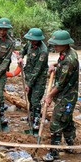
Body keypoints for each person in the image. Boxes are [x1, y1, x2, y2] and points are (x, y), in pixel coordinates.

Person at [42, 30, 79, 162]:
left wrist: (49, 96)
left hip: (66, 96)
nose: (55, 47)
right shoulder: (67, 53)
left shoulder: (69, 60)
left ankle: (54, 152)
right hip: (67, 94)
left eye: (57, 44)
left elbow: (60, 84)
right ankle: (70, 145)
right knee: (66, 120)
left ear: (65, 44)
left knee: (56, 122)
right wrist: (55, 65)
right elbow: (62, 64)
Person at [17, 28, 48, 130]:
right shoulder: (30, 44)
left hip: (39, 79)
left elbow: (37, 70)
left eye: (33, 40)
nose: (31, 41)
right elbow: (23, 50)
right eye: (30, 39)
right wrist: (20, 57)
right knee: (30, 97)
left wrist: (28, 84)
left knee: (35, 100)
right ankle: (30, 116)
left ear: (39, 39)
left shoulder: (43, 51)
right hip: (29, 75)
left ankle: (36, 120)